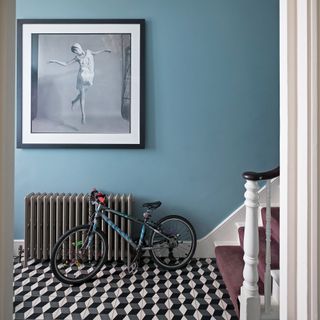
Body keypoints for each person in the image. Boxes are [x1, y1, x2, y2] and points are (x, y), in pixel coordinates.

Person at [49, 43, 111, 124]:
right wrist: (54, 61)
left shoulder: (88, 52)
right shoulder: (77, 58)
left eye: (76, 50)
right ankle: (83, 115)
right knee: (83, 95)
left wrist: (105, 50)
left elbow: (96, 53)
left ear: (79, 47)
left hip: (90, 75)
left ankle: (74, 101)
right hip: (81, 76)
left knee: (83, 93)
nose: (76, 52)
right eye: (74, 52)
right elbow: (66, 63)